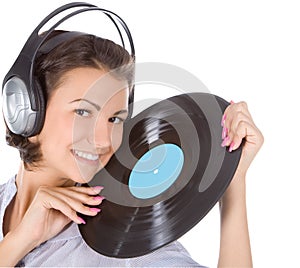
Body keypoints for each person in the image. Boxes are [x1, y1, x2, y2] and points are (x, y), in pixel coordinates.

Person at [0, 25, 263, 268]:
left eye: (115, 119)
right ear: (26, 111)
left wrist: (232, 179)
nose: (104, 140)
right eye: (82, 112)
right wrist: (19, 241)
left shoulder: (123, 244)